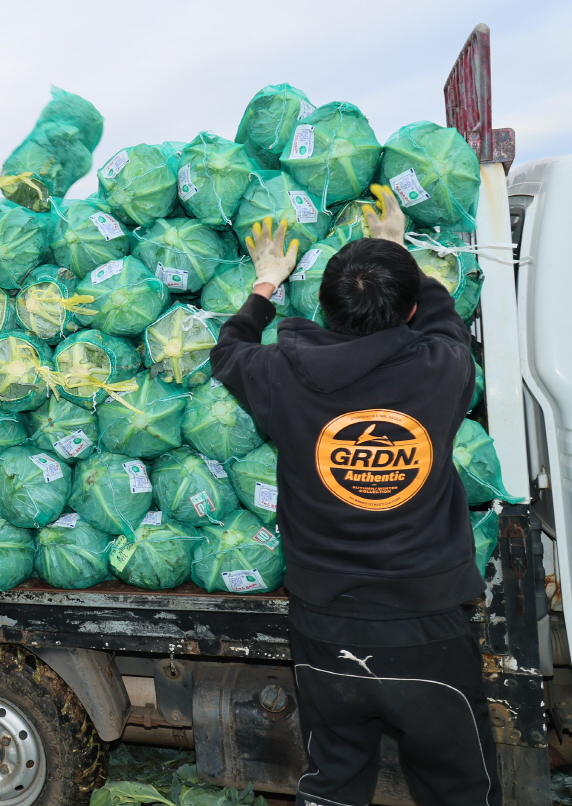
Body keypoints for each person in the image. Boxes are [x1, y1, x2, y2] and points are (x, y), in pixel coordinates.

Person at [210, 186, 497, 806]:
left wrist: (264, 282)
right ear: (410, 308)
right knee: (458, 788)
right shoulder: (444, 369)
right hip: (427, 624)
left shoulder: (279, 374)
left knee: (335, 781)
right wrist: (397, 251)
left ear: (324, 307)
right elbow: (445, 319)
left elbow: (227, 351)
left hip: (323, 621)